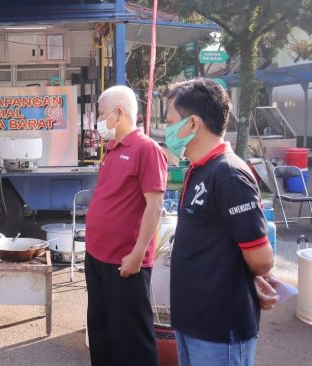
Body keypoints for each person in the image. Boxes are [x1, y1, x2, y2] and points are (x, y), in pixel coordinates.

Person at [166, 79, 277, 366]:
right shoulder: (199, 169)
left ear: (192, 124)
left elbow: (262, 259)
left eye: (170, 122)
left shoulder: (228, 174)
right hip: (191, 320)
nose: (167, 130)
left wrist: (252, 276)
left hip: (219, 328)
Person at [85, 85, 167, 366]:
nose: (98, 120)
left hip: (124, 262)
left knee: (131, 339)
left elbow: (154, 206)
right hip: (96, 256)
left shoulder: (146, 149)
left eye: (101, 113)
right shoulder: (112, 148)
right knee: (101, 330)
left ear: (118, 113)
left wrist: (137, 254)